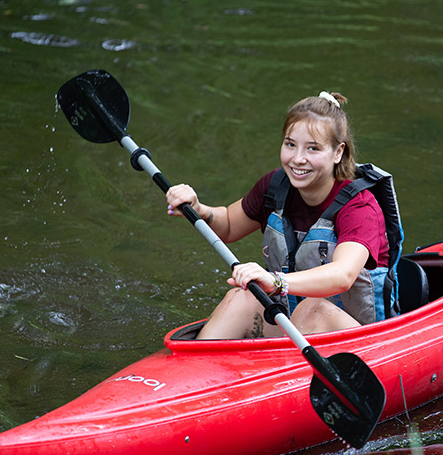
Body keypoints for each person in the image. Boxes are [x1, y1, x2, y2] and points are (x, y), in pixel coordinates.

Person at [165, 91, 392, 339]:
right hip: (295, 326)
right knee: (240, 297)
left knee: (312, 308)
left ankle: (271, 373)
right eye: (290, 144)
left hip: (362, 337)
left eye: (313, 148)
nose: (297, 159)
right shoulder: (275, 187)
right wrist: (198, 209)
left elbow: (343, 275)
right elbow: (229, 226)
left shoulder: (359, 207)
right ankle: (201, 369)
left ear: (338, 152)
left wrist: (277, 282)